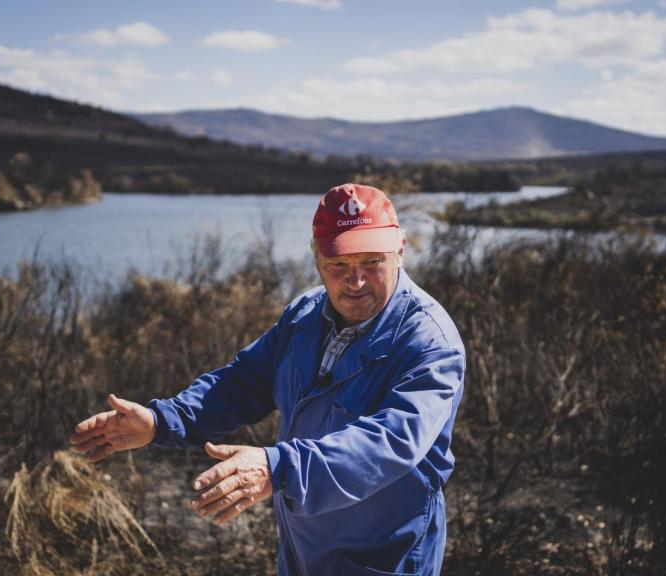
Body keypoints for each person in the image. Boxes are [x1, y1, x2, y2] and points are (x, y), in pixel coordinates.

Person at [70, 183, 466, 575]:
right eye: (338, 265)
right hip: (301, 551)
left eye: (372, 262)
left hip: (384, 557)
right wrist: (162, 422)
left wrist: (278, 469)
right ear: (316, 259)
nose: (356, 281)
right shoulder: (305, 315)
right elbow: (244, 382)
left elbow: (391, 442)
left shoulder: (430, 342)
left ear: (400, 249)